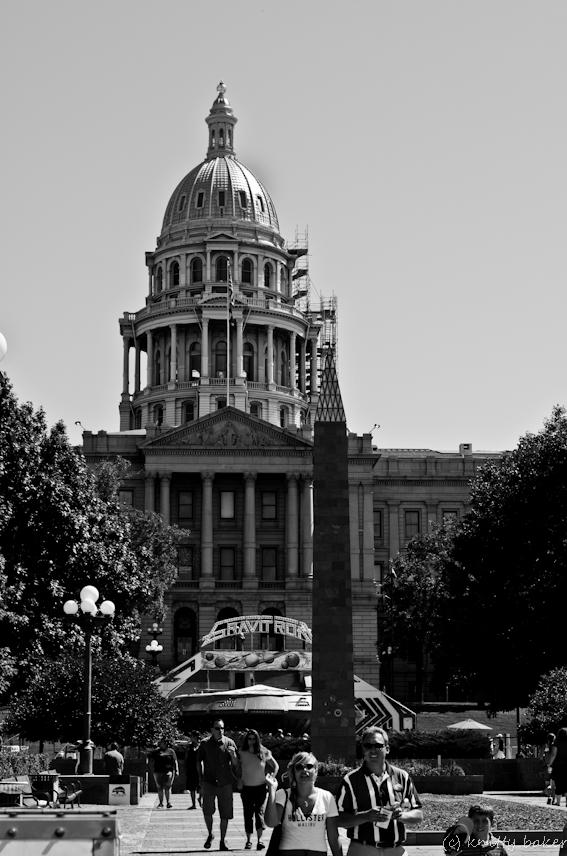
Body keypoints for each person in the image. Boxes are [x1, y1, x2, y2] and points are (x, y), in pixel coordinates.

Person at [337, 726, 423, 856]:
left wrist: (401, 816)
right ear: (363, 749)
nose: (373, 750)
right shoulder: (350, 780)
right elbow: (339, 819)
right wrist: (366, 816)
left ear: (387, 749)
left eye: (378, 745)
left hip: (395, 850)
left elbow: (418, 815)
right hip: (362, 850)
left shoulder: (402, 777)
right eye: (368, 746)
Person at [265, 750, 342, 856]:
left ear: (316, 770)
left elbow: (333, 837)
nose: (304, 770)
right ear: (293, 771)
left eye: (309, 766)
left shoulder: (327, 797)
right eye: (299, 767)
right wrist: (272, 790)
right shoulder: (283, 795)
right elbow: (271, 823)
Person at [197, 718, 240, 851]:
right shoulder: (205, 743)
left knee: (225, 813)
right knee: (207, 811)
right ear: (212, 730)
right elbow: (198, 761)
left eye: (222, 728)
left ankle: (222, 840)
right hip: (209, 782)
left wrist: (233, 756)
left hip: (225, 783)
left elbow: (236, 765)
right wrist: (200, 780)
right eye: (217, 728)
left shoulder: (230, 743)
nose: (220, 730)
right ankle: (210, 834)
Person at [239, 729, 279, 850]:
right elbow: (235, 767)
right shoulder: (242, 752)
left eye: (254, 739)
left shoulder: (264, 751)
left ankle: (260, 840)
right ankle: (248, 840)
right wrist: (238, 779)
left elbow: (275, 766)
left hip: (261, 788)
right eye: (249, 739)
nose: (251, 741)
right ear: (246, 740)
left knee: (259, 813)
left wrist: (271, 778)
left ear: (257, 739)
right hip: (246, 788)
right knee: (248, 814)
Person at [443, 804, 508, 856]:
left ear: (492, 823)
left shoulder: (499, 846)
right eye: (476, 821)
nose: (480, 825)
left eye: (484, 821)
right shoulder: (462, 845)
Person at [149, 737, 179, 809]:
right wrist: (151, 769)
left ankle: (168, 802)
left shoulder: (171, 751)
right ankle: (161, 803)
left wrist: (177, 770)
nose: (163, 744)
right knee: (159, 787)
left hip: (168, 771)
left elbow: (175, 761)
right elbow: (150, 759)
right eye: (162, 742)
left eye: (164, 742)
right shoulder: (156, 752)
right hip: (158, 771)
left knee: (168, 787)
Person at [547, 727, 567, 807]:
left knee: (558, 784)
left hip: (558, 766)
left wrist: (549, 764)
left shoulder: (556, 743)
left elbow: (553, 754)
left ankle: (558, 802)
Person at [185, 732, 201, 810]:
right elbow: (186, 757)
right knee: (192, 788)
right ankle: (193, 804)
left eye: (192, 737)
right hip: (191, 769)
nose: (191, 738)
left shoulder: (201, 746)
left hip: (200, 768)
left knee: (202, 786)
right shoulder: (189, 747)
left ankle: (200, 798)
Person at [543, 732, 557, 805]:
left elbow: (543, 756)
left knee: (547, 783)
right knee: (553, 784)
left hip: (547, 766)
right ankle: (553, 799)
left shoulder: (546, 746)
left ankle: (549, 797)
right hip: (554, 766)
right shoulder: (555, 746)